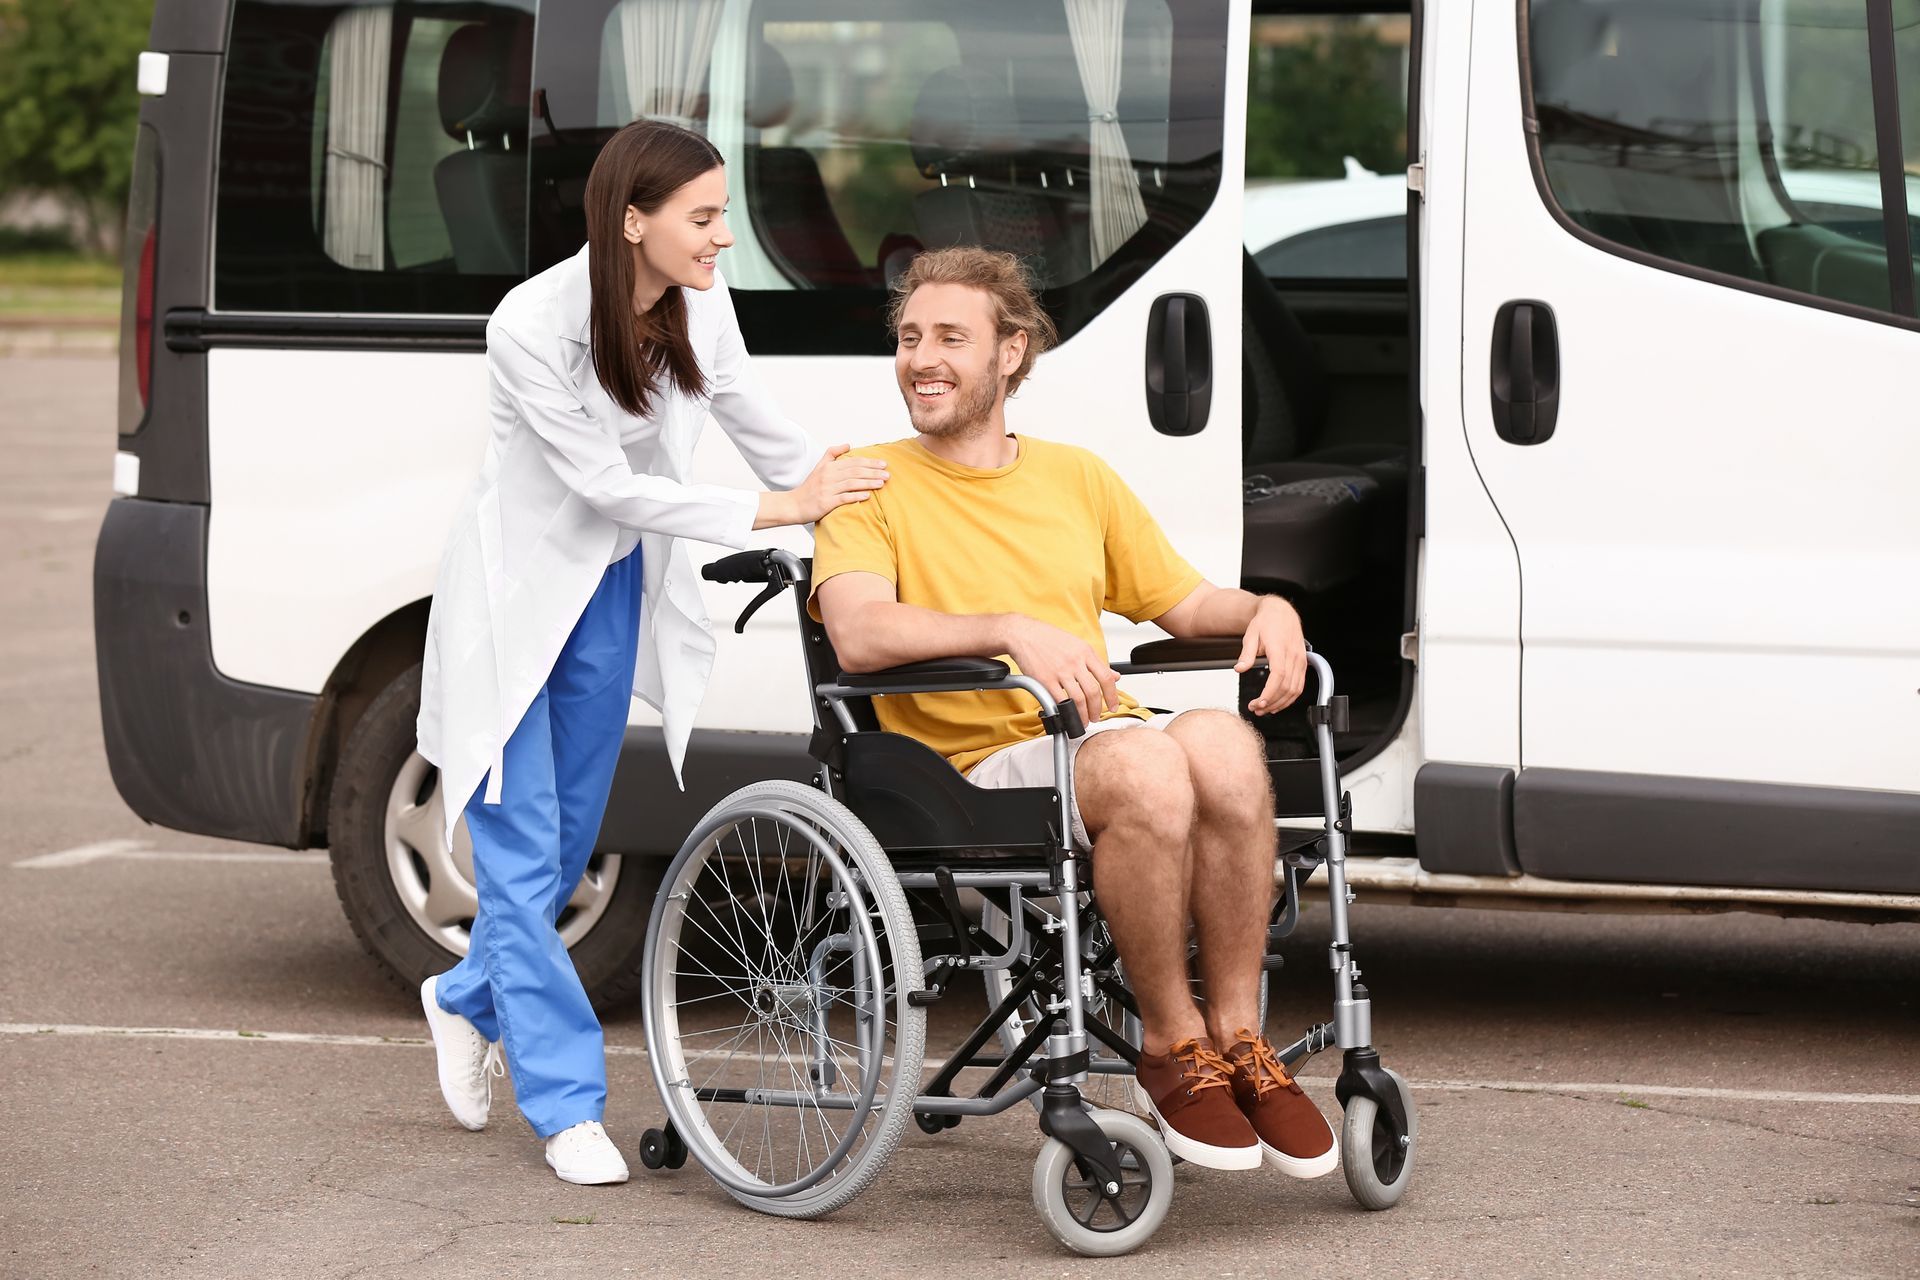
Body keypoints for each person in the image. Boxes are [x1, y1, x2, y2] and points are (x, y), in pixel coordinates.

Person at [413, 120, 889, 1186]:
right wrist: (780, 505)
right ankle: (568, 1101)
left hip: (612, 587)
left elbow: (762, 425)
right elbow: (604, 484)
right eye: (706, 216)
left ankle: (460, 996)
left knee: (571, 835)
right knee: (526, 848)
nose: (726, 237)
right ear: (635, 219)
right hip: (517, 596)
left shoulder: (700, 306)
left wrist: (854, 494)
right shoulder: (530, 324)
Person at [807, 247, 1337, 1179]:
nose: (920, 359)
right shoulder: (867, 481)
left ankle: (1239, 1042)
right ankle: (1171, 1047)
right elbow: (857, 632)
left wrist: (1267, 609)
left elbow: (1179, 601)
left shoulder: (1076, 477)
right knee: (1145, 764)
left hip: (1088, 734)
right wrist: (1009, 628)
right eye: (908, 338)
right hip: (963, 770)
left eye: (949, 339)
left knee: (1221, 740)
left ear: (1011, 353)